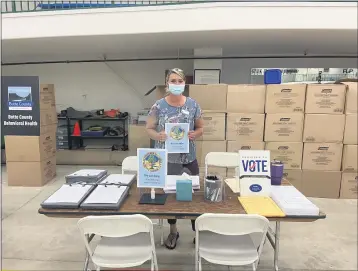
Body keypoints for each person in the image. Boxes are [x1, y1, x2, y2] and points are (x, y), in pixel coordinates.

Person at [146, 68, 204, 250]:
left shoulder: (193, 105)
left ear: (184, 83)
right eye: (173, 80)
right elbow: (149, 128)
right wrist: (158, 136)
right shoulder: (158, 106)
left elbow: (201, 127)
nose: (177, 84)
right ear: (167, 83)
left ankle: (198, 232)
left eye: (180, 81)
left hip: (189, 157)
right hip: (168, 160)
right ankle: (173, 231)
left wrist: (196, 133)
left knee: (193, 195)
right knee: (170, 197)